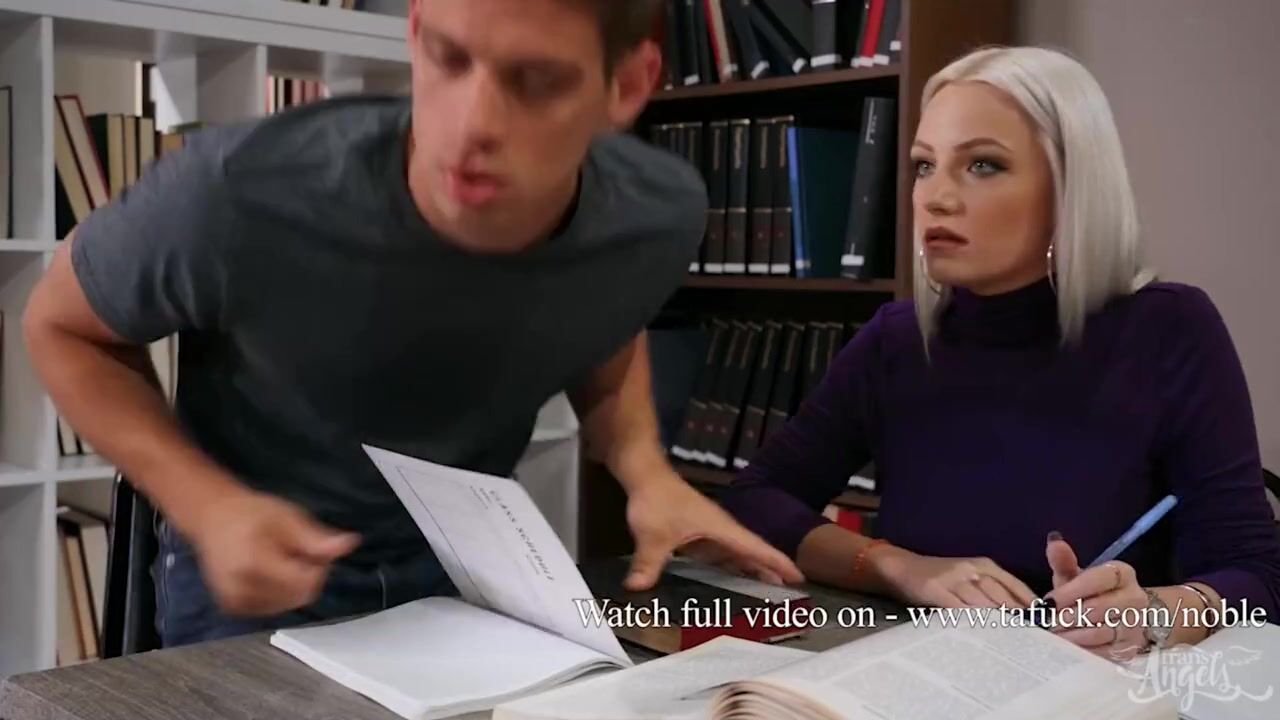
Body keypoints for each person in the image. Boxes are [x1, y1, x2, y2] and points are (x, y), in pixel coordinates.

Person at [22, 0, 801, 648]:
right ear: (416, 30)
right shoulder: (237, 191)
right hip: (256, 572)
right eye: (449, 58)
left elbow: (608, 319)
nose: (472, 124)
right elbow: (60, 327)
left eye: (535, 81)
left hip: (472, 563)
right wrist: (204, 504)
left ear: (625, 85)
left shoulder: (655, 215)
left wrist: (645, 471)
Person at [716, 45, 1280, 659]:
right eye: (924, 165)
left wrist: (1152, 614)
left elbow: (1257, 576)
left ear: (1071, 188)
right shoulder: (897, 340)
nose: (936, 197)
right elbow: (754, 502)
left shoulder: (1169, 329)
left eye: (982, 165)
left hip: (1101, 682)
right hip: (923, 674)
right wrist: (898, 567)